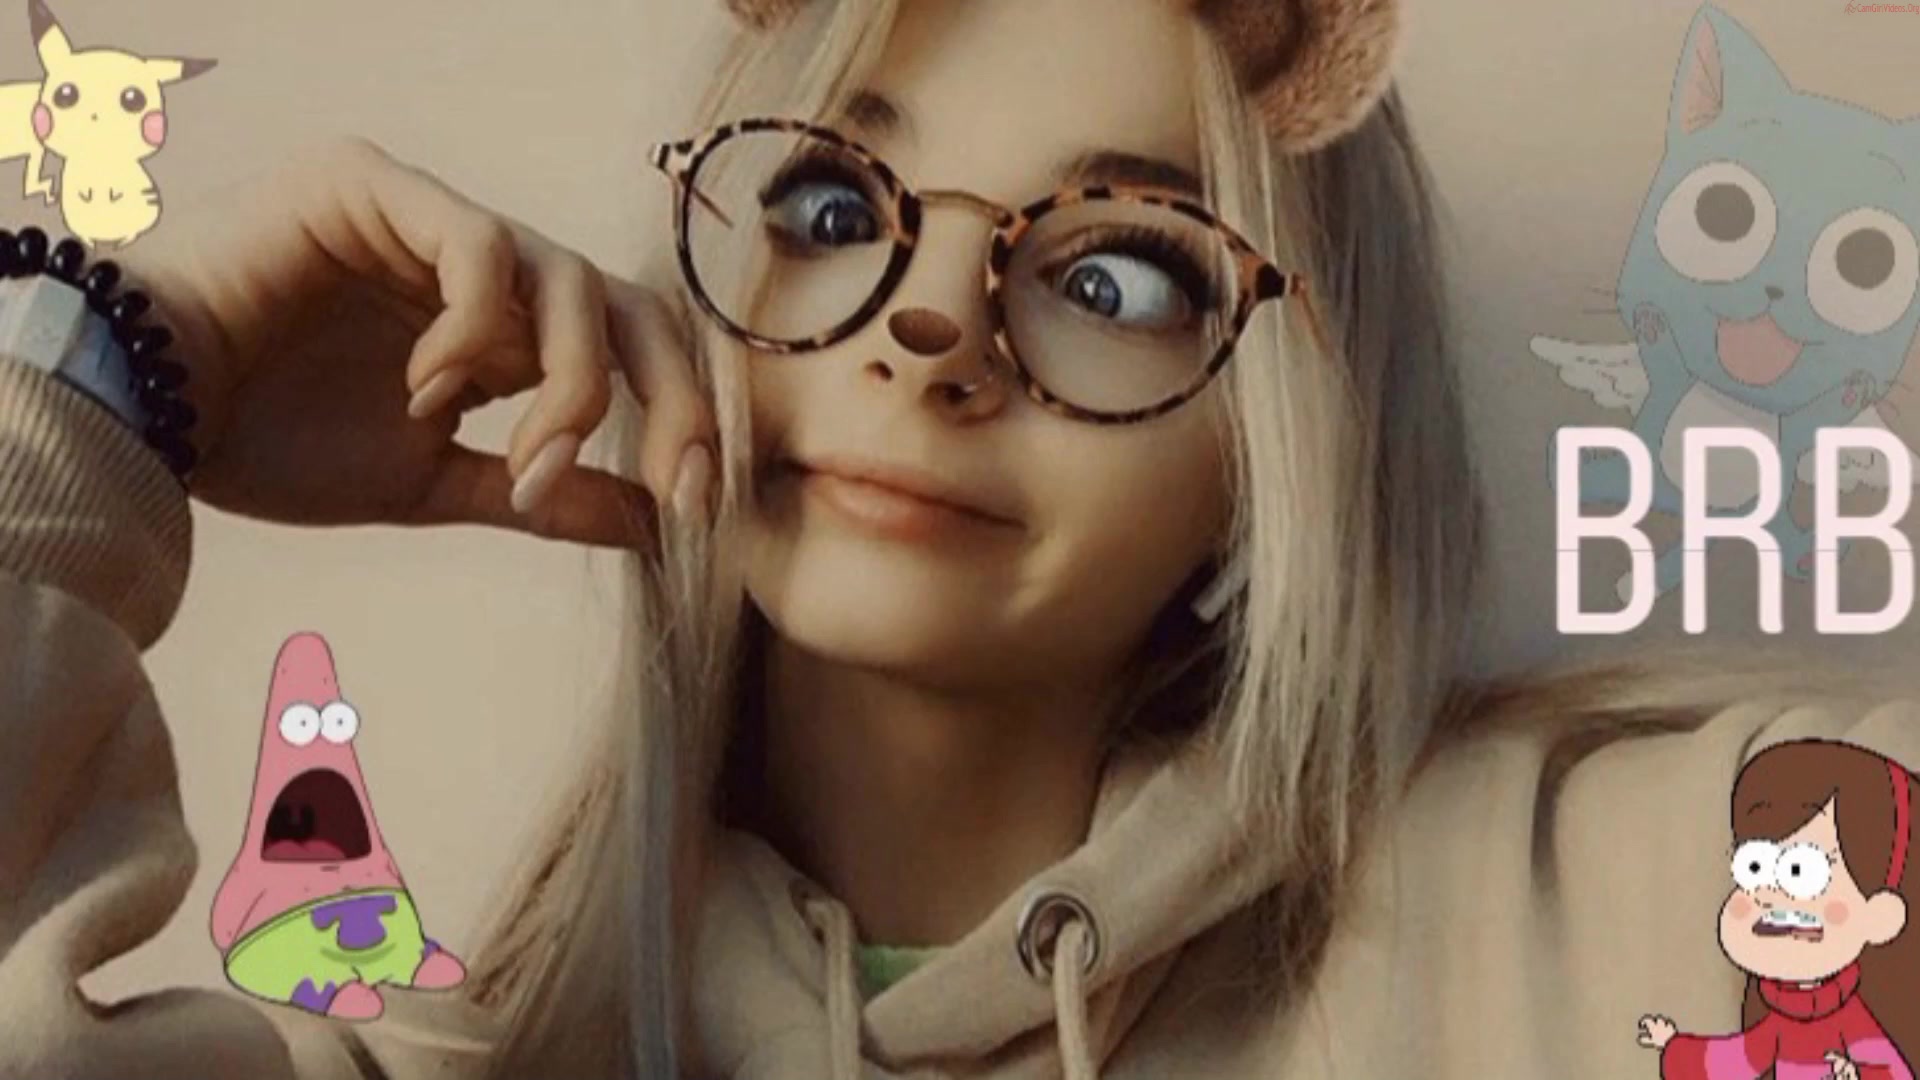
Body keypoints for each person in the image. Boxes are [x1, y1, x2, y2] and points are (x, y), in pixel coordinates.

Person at [0, 0, 1914, 1078]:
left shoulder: (1701, 895)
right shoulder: (458, 1070)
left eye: (1118, 273)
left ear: (1280, 442)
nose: (930, 325)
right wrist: (117, 371)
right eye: (835, 212)